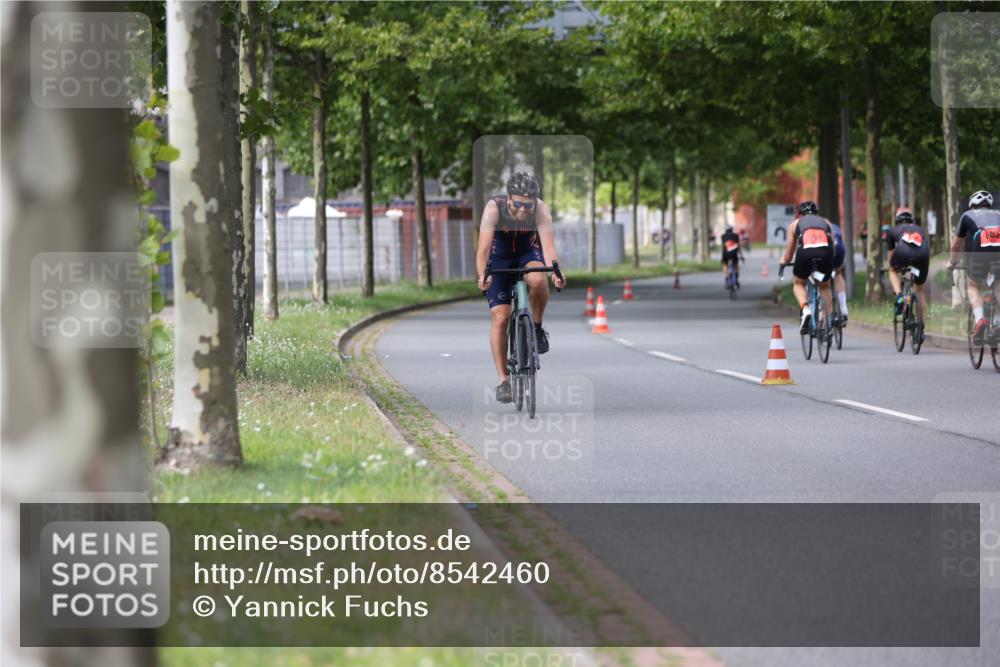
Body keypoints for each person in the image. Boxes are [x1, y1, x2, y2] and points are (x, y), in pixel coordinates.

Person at [476, 172, 566, 403]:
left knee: (538, 280)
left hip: (528, 252)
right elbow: (483, 250)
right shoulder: (493, 209)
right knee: (501, 317)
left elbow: (548, 248)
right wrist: (482, 275)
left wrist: (556, 271)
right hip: (499, 258)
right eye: (518, 204)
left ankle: (535, 328)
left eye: (528, 204)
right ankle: (503, 381)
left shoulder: (541, 210)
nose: (523, 209)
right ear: (508, 198)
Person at [948, 190, 1000, 344]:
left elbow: (956, 245)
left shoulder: (967, 215)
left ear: (972, 205)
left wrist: (952, 262)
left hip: (980, 254)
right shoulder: (998, 214)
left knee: (973, 285)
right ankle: (997, 324)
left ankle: (980, 320)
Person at [780, 200, 835, 334]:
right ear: (816, 213)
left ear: (800, 214)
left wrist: (783, 261)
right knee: (824, 285)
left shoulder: (795, 224)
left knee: (798, 283)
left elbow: (788, 255)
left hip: (806, 252)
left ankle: (805, 310)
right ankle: (828, 321)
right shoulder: (826, 223)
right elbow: (832, 246)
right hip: (826, 252)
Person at [886, 209, 931, 322]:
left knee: (892, 270)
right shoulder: (920, 229)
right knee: (919, 288)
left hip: (903, 252)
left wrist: (893, 266)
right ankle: (921, 323)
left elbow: (891, 256)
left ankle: (899, 296)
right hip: (923, 254)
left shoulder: (892, 230)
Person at [829, 219, 849, 324]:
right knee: (837, 274)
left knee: (821, 279)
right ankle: (843, 307)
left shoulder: (814, 230)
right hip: (839, 247)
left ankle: (826, 313)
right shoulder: (835, 226)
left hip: (826, 248)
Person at [720, 224, 743, 288]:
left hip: (726, 254)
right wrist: (741, 256)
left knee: (725, 265)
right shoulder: (736, 235)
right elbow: (738, 246)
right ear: (732, 230)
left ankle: (726, 280)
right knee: (736, 265)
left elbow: (723, 247)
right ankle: (736, 279)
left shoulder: (723, 236)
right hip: (734, 254)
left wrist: (722, 257)